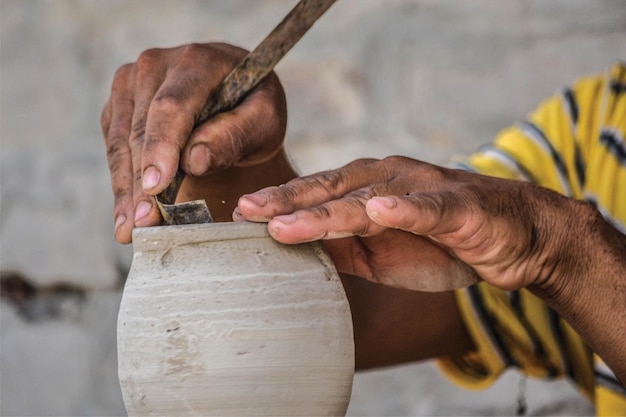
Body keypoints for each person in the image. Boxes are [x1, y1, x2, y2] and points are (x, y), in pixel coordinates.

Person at [101, 42, 626, 415]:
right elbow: (300, 334)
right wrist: (230, 158)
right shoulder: (595, 129)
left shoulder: (562, 216)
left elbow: (560, 249)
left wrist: (566, 253)